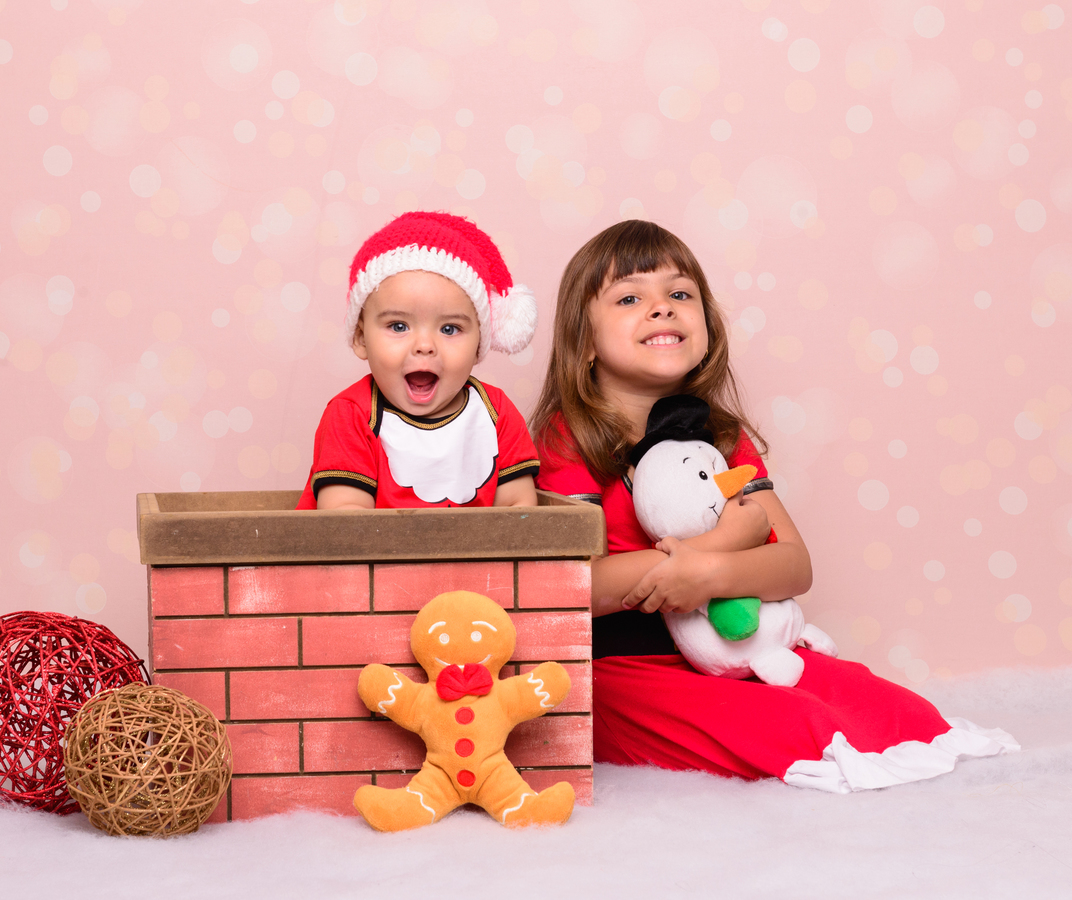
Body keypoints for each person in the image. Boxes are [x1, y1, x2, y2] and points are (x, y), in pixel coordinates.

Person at [531, 219, 1017, 792]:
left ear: (707, 327)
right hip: (623, 670)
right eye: (630, 298)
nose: (662, 307)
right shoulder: (570, 439)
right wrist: (718, 545)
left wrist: (708, 574)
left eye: (680, 294)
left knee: (898, 711)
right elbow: (576, 587)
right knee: (798, 726)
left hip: (738, 647)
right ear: (585, 341)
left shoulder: (721, 438)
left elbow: (793, 565)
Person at [298, 211, 540, 510]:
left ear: (480, 343)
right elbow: (346, 521)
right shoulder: (352, 415)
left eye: (449, 329)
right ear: (360, 338)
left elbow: (519, 513)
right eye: (398, 326)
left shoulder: (496, 412)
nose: (425, 346)